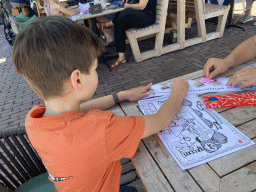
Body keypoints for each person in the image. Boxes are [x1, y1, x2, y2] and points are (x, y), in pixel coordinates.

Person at [13, 16, 189, 192]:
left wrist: (121, 95)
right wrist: (178, 91)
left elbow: (77, 111)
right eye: (95, 68)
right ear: (78, 80)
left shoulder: (34, 120)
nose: (96, 72)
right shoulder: (101, 128)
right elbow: (161, 120)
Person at [100, 0, 156, 68]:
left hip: (147, 17)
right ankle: (121, 58)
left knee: (127, 11)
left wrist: (128, 6)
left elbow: (141, 6)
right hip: (138, 16)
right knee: (118, 25)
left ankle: (107, 24)